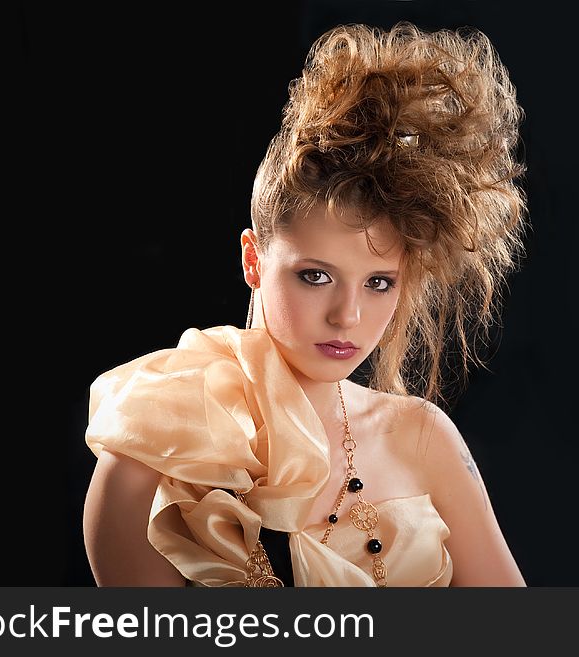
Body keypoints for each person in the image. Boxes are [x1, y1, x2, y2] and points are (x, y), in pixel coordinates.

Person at [83, 21, 528, 587]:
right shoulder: (146, 453)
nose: (348, 316)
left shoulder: (422, 435)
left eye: (379, 283)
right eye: (315, 276)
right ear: (252, 260)